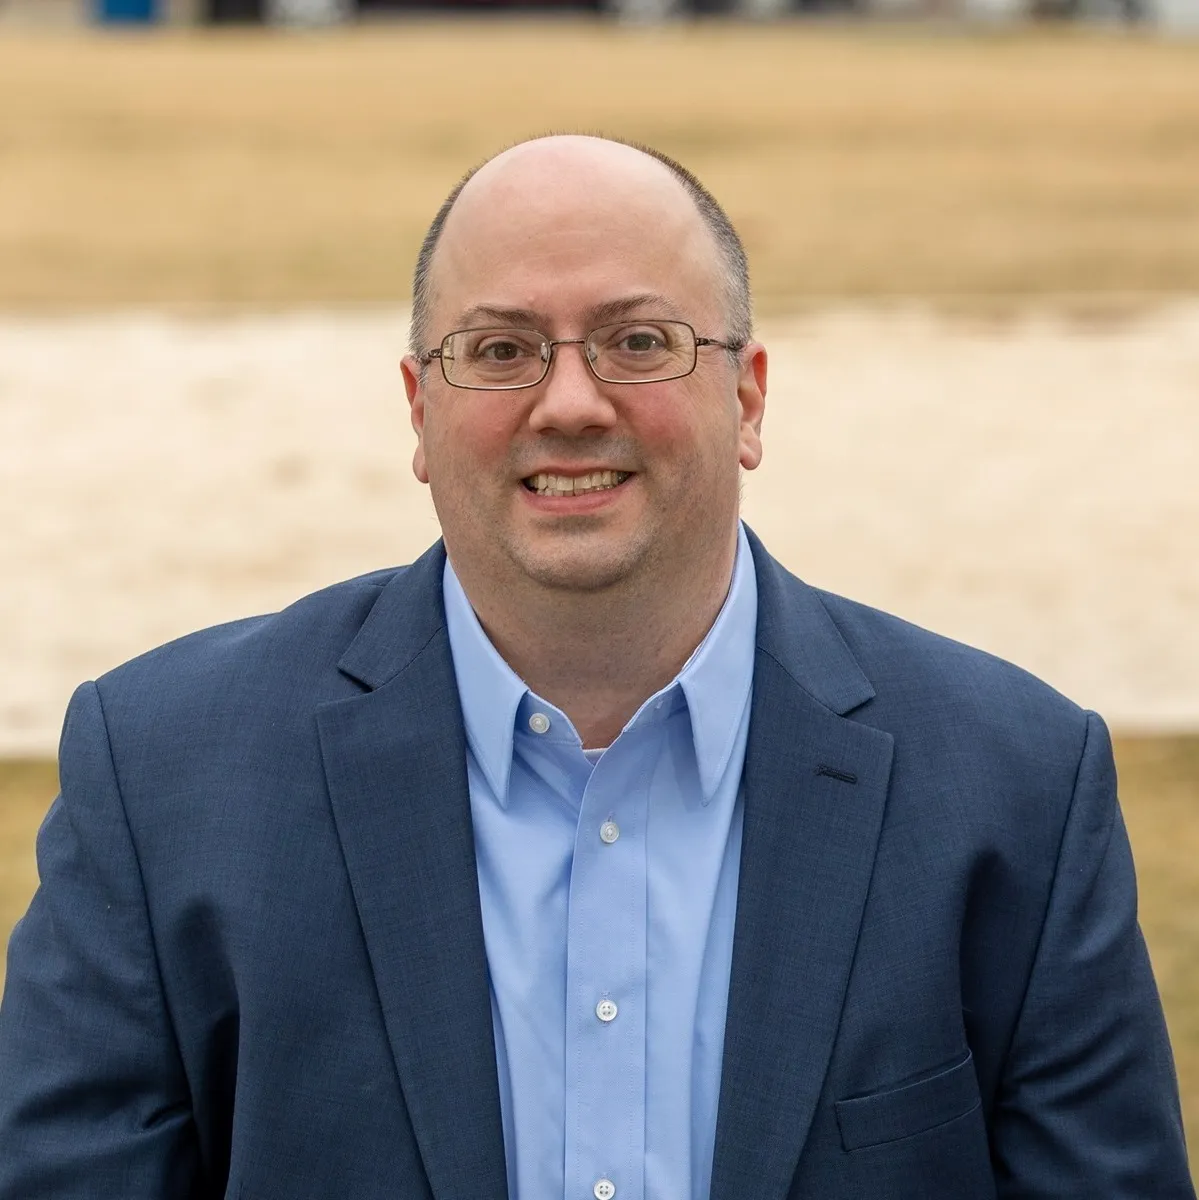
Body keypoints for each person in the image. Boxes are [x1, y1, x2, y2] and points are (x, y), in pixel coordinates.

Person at [0, 134, 1192, 1200]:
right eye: (499, 349)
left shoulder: (1014, 790)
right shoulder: (165, 782)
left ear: (748, 397)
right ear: (417, 413)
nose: (568, 403)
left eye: (637, 342)